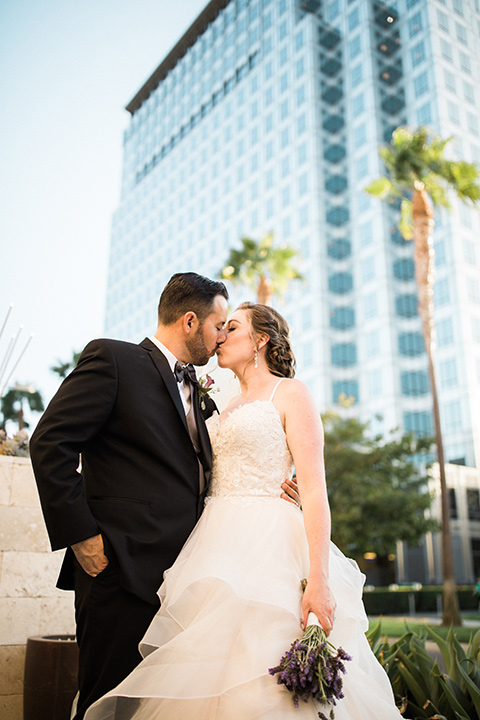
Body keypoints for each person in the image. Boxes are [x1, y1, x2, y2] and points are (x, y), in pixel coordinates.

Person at [83, 302, 404, 720]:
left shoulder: (291, 393)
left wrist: (319, 581)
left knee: (262, 668)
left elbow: (315, 488)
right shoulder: (215, 404)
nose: (219, 336)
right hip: (212, 544)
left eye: (231, 327)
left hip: (269, 543)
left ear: (260, 340)